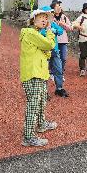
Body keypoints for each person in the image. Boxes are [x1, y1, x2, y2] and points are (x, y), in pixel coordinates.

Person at [20, 8, 58, 147]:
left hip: (40, 72)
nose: (45, 20)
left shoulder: (35, 34)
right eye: (41, 17)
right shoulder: (30, 32)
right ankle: (28, 136)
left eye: (46, 18)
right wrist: (49, 31)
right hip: (32, 73)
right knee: (33, 104)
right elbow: (49, 45)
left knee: (41, 101)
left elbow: (47, 52)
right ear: (33, 20)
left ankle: (41, 124)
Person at [40, 5, 68, 98]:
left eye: (50, 13)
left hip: (54, 50)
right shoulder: (40, 24)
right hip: (43, 50)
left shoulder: (53, 23)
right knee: (43, 71)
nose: (50, 15)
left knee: (58, 69)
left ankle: (59, 88)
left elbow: (60, 31)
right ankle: (43, 91)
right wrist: (48, 31)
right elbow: (40, 33)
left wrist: (54, 30)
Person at [51, 0, 73, 73]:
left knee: (63, 58)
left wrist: (62, 24)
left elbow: (70, 28)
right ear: (53, 8)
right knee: (53, 57)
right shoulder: (50, 17)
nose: (59, 8)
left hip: (63, 41)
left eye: (59, 6)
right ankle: (52, 71)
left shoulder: (64, 17)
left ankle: (61, 71)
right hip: (53, 40)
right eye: (56, 6)